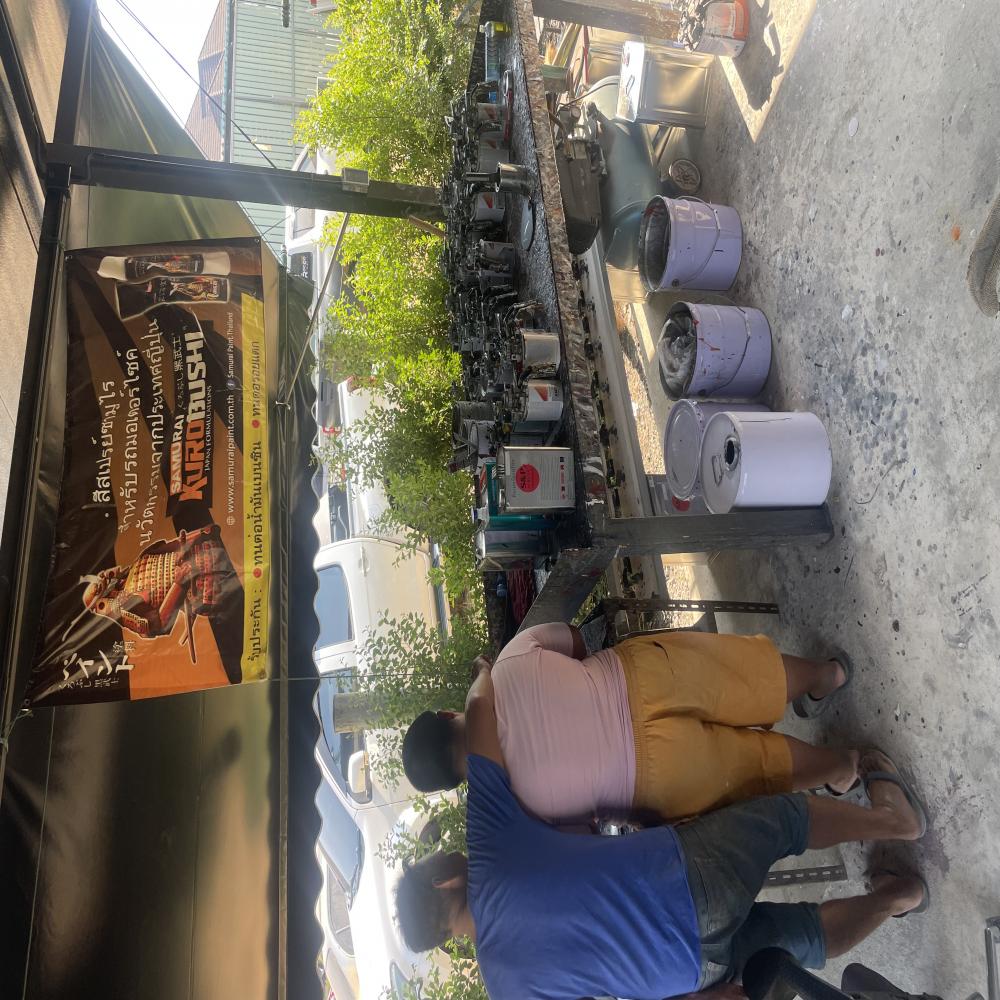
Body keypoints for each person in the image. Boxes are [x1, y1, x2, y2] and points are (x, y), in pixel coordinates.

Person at [394, 739, 929, 1000]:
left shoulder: (507, 991)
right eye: (432, 858)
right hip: (686, 879)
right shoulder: (488, 849)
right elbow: (480, 716)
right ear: (442, 880)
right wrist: (481, 672)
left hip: (687, 971)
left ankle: (896, 896)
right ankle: (894, 821)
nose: (443, 850)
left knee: (796, 941)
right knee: (784, 821)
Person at [402, 622, 858, 824]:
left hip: (652, 778)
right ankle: (827, 675)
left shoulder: (515, 804)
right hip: (639, 677)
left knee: (754, 768)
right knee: (743, 676)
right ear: (446, 714)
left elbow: (582, 827)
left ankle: (840, 769)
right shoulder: (507, 664)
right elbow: (576, 641)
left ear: (453, 785)